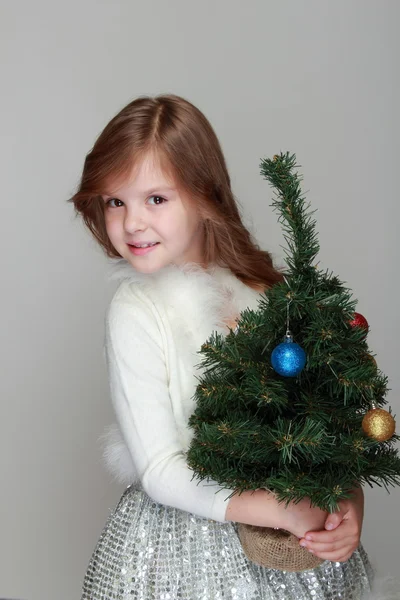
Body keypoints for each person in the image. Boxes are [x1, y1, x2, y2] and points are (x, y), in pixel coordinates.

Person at [69, 94, 376, 599]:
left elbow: (325, 426)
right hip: (182, 551)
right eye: (114, 201)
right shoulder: (136, 310)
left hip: (295, 545)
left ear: (204, 196)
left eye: (156, 199)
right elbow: (161, 471)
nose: (131, 223)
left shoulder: (264, 293)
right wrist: (276, 508)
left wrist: (346, 505)